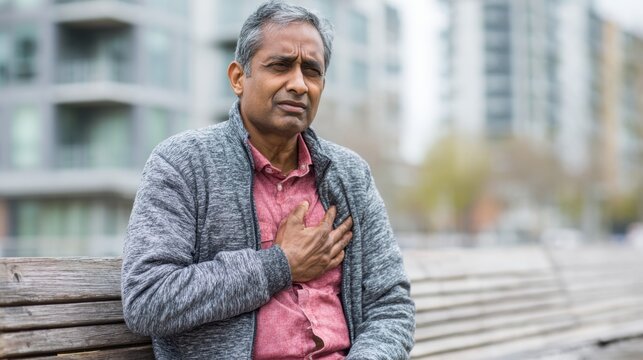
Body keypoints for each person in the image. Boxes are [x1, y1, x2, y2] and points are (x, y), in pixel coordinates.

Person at [121, 1, 415, 358]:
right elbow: (147, 299)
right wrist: (280, 265)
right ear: (238, 78)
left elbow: (391, 305)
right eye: (280, 66)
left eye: (312, 71)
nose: (299, 84)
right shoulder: (183, 163)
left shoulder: (349, 175)